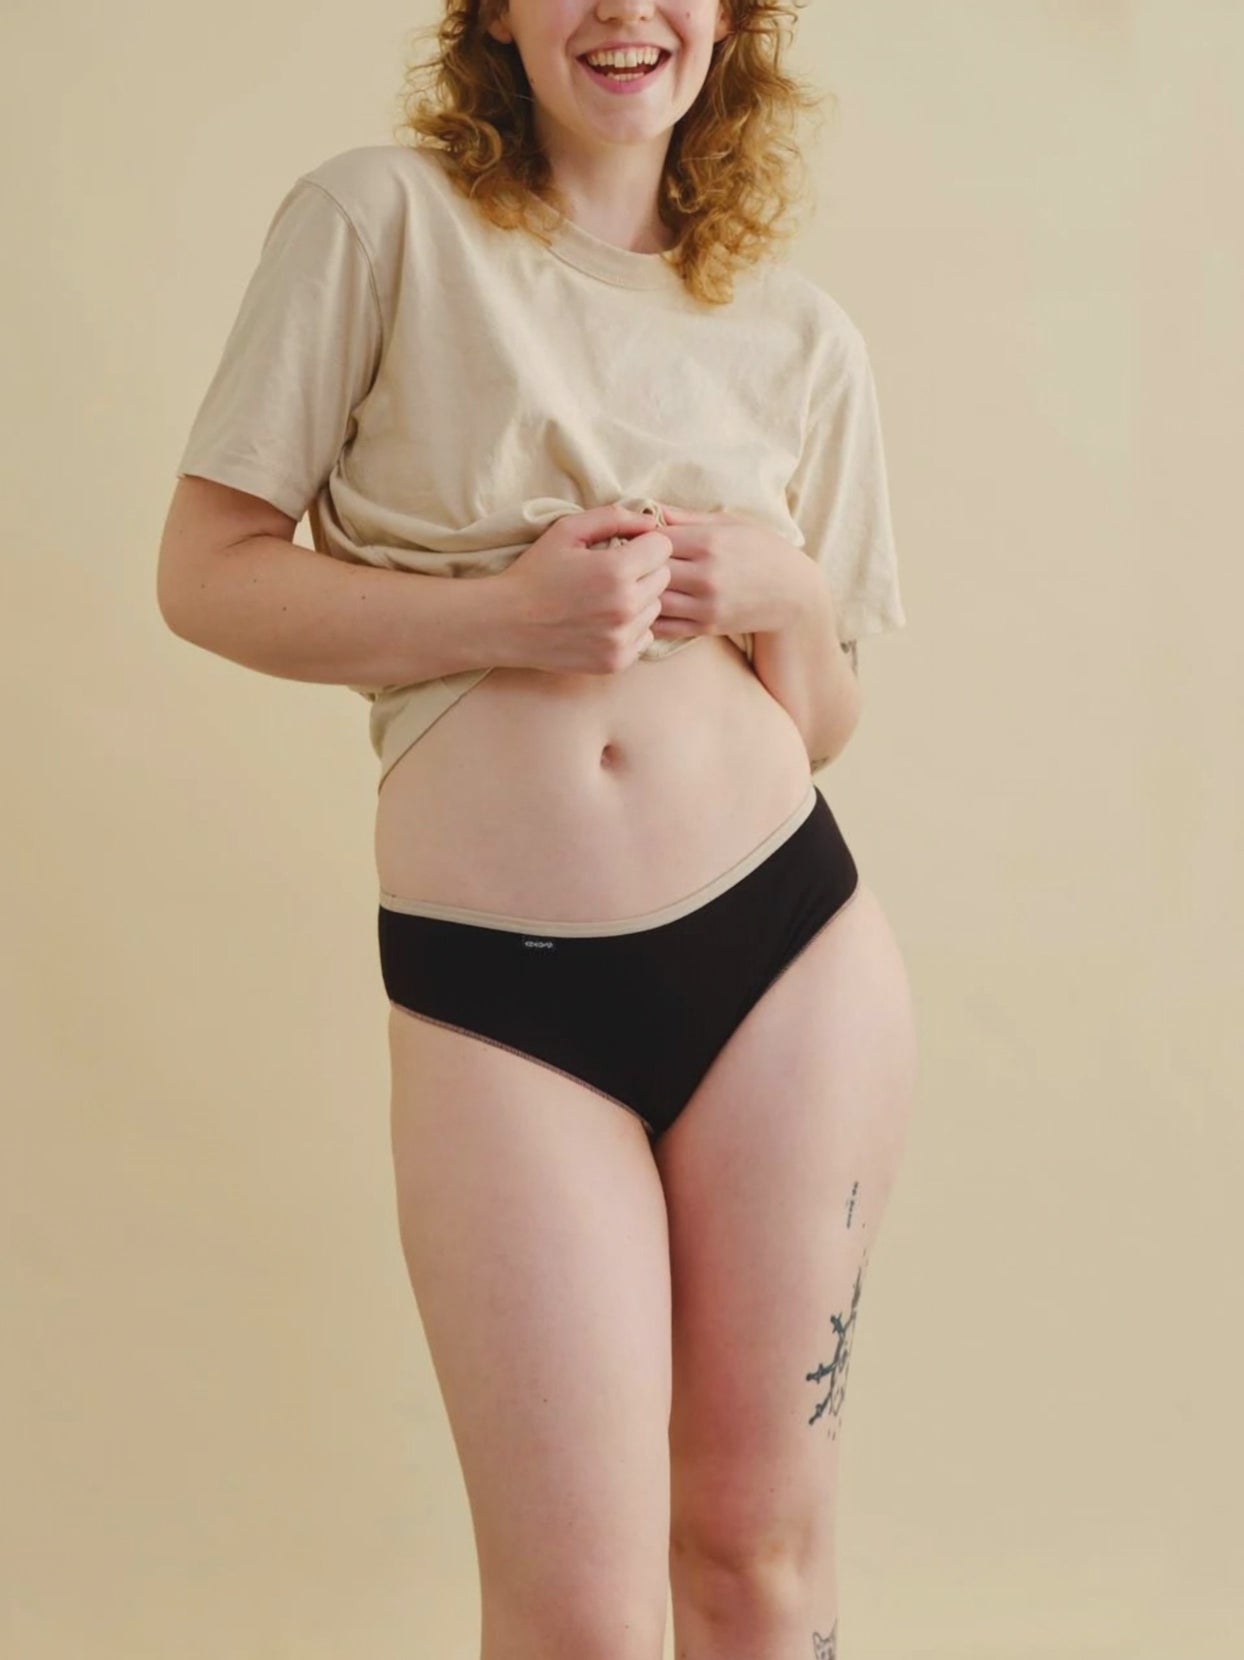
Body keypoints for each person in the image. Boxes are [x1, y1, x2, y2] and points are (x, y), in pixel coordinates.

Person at [156, 2, 919, 1655]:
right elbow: (204, 576)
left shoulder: (804, 338)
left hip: (789, 963)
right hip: (504, 993)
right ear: (498, 9)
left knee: (758, 1557)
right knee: (576, 1612)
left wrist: (788, 595)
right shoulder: (379, 225)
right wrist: (507, 618)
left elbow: (820, 719)